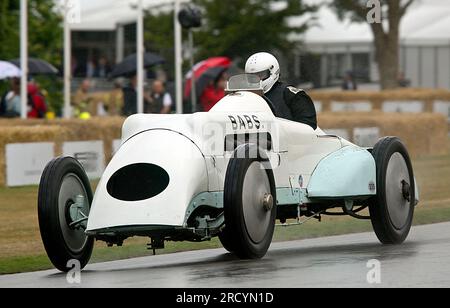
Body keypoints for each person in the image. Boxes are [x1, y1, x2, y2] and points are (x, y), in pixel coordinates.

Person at [245, 52, 317, 130]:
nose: (257, 79)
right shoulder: (246, 97)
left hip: (287, 140)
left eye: (260, 75)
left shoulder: (292, 95)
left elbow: (309, 126)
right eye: (252, 77)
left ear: (272, 71)